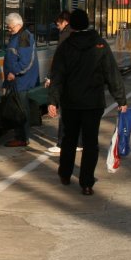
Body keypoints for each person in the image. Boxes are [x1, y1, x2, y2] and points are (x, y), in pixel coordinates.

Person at [47, 8, 127, 195]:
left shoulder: (65, 47)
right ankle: (87, 183)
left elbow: (57, 75)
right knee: (90, 143)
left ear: (72, 25)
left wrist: (53, 101)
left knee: (69, 140)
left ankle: (65, 174)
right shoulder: (100, 45)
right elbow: (112, 74)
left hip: (71, 103)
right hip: (93, 104)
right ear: (88, 23)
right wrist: (121, 100)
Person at [2, 12, 40, 147]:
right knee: (17, 108)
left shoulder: (24, 37)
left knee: (21, 109)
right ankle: (20, 136)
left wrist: (14, 72)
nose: (8, 28)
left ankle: (22, 138)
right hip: (15, 80)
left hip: (21, 80)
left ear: (18, 25)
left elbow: (26, 61)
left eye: (10, 26)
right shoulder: (16, 36)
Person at [43, 10, 74, 155]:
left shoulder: (65, 36)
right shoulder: (77, 34)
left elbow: (58, 60)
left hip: (66, 81)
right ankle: (78, 143)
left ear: (65, 22)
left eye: (58, 23)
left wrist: (50, 76)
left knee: (66, 114)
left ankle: (62, 143)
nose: (57, 26)